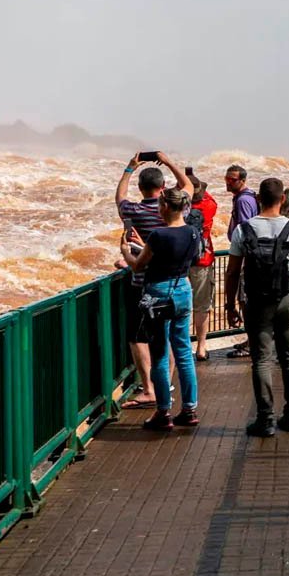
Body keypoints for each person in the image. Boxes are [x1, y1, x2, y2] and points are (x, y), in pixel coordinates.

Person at [225, 178, 289, 437]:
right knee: (288, 357)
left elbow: (232, 272)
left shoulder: (244, 230)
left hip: (255, 301)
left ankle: (265, 420)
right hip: (287, 298)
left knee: (262, 360)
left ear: (258, 199)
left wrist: (230, 305)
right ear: (282, 199)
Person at [119, 187, 201, 431]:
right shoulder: (193, 232)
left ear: (164, 207)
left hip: (158, 294)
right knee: (184, 352)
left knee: (160, 355)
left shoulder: (157, 235)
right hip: (183, 290)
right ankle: (189, 409)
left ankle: (163, 412)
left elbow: (137, 266)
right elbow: (182, 258)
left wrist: (126, 251)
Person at [115, 151, 191, 409]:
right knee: (171, 340)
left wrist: (130, 167)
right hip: (178, 285)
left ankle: (149, 388)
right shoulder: (178, 214)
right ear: (162, 188)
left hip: (144, 285)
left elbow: (120, 198)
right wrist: (168, 160)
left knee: (139, 338)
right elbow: (188, 186)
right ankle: (166, 383)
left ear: (141, 188)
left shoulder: (133, 211)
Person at [187, 174, 217, 361]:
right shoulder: (208, 205)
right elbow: (210, 197)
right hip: (202, 260)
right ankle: (201, 347)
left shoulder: (176, 207)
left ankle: (179, 346)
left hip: (179, 262)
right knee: (202, 306)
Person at [224, 164, 259, 237]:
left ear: (242, 181)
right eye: (227, 179)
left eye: (232, 180)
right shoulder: (250, 195)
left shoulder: (242, 200)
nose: (228, 183)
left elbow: (244, 229)